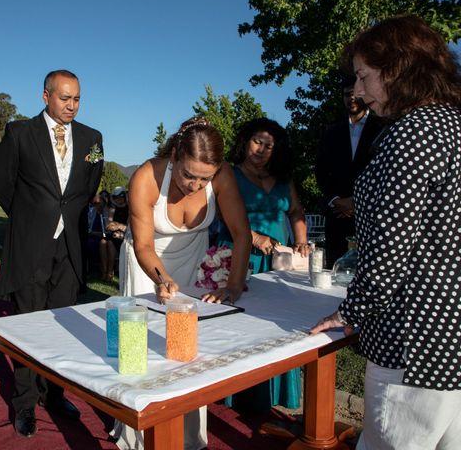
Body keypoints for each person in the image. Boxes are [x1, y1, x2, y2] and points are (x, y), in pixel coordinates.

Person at [311, 15, 461, 449]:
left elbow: (390, 251)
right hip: (447, 342)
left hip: (413, 343)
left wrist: (350, 313)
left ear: (398, 68)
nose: (357, 90)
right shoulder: (451, 125)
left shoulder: (412, 133)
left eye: (363, 76)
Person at [114, 117, 251, 450]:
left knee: (188, 352)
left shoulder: (221, 175)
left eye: (204, 178)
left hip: (195, 263)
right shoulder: (146, 177)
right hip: (147, 264)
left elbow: (241, 234)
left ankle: (189, 436)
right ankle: (140, 435)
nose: (194, 184)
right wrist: (162, 280)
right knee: (143, 353)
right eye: (188, 174)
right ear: (174, 156)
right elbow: (144, 245)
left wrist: (233, 285)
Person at [0, 69, 104, 438]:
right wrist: (32, 220)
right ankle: (24, 403)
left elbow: (90, 184)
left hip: (70, 246)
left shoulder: (93, 139)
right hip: (31, 246)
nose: (71, 106)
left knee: (63, 328)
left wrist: (64, 218)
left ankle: (54, 395)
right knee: (28, 327)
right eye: (64, 98)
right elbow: (4, 186)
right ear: (45, 96)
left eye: (76, 99)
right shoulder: (19, 133)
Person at [217, 117, 308, 414]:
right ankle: (240, 394)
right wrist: (254, 238)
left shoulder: (284, 178)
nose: (261, 149)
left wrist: (301, 242)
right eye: (257, 142)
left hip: (279, 260)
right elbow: (221, 213)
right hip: (244, 256)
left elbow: (296, 211)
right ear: (245, 142)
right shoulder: (229, 173)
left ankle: (275, 393)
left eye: (269, 146)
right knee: (246, 325)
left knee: (278, 326)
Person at [315, 76, 383, 267]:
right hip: (336, 216)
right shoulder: (330, 130)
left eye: (355, 94)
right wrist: (335, 200)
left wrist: (357, 201)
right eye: (346, 95)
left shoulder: (382, 128)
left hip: (370, 216)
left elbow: (384, 171)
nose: (351, 98)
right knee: (334, 271)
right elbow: (321, 171)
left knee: (370, 270)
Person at [103, 185, 129, 280]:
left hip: (126, 234)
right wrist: (116, 226)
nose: (118, 200)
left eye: (119, 197)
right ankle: (108, 270)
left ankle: (109, 271)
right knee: (108, 241)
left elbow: (128, 226)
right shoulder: (113, 207)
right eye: (116, 198)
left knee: (110, 242)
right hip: (115, 233)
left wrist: (118, 226)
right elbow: (109, 225)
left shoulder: (130, 207)